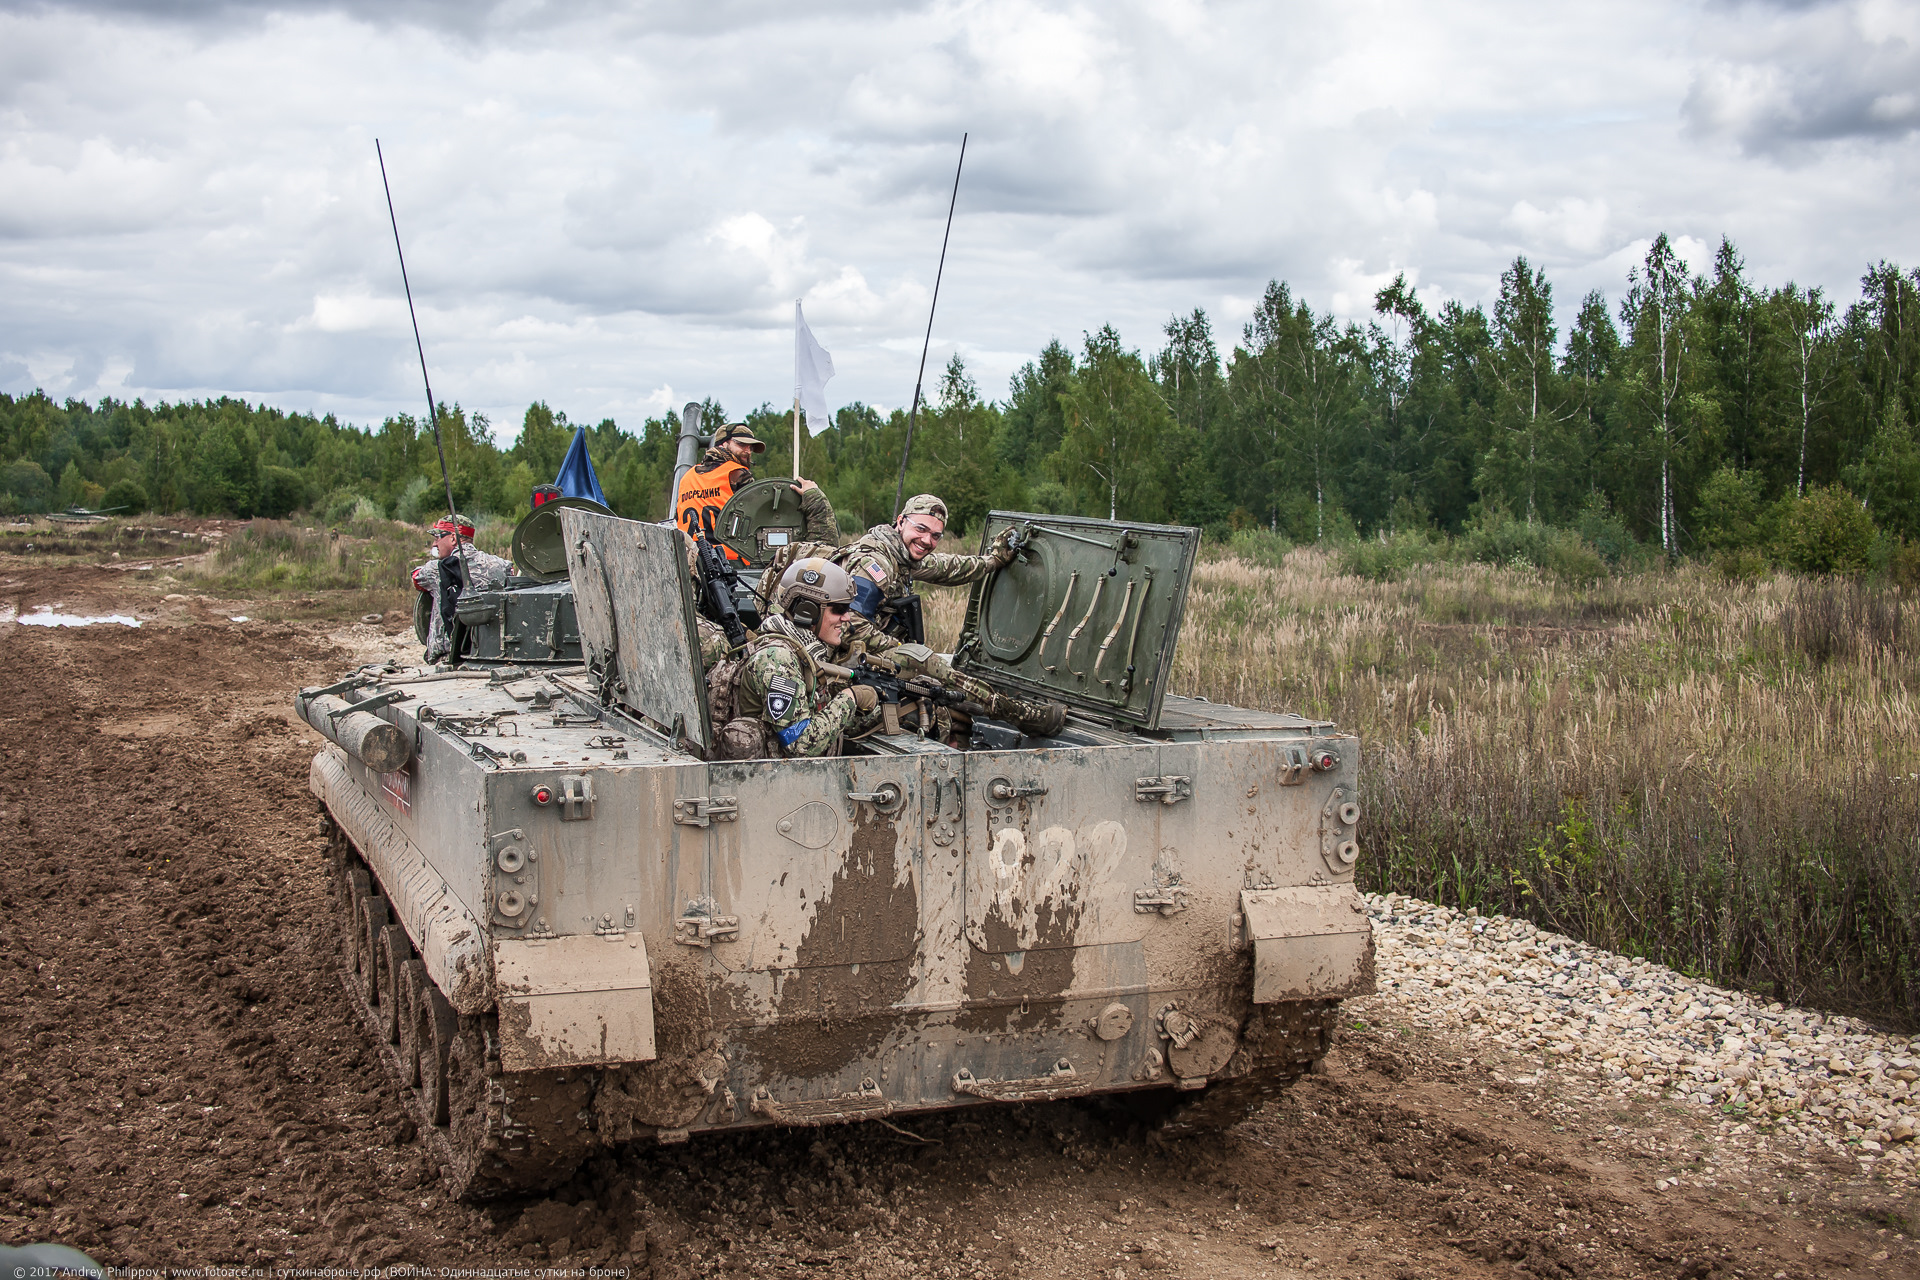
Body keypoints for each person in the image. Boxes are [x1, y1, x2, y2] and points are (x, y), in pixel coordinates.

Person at [765, 492, 1065, 736]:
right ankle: (1021, 715)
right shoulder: (877, 564)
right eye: (921, 530)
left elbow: (951, 567)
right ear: (901, 522)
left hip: (841, 647)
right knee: (927, 662)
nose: (927, 541)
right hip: (827, 653)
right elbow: (851, 624)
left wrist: (994, 560)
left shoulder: (904, 555)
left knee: (927, 669)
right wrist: (901, 652)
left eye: (935, 536)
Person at [709, 558, 884, 760]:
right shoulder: (777, 658)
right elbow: (800, 743)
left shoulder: (802, 651)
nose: (846, 618)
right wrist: (850, 697)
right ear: (808, 611)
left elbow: (817, 721)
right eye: (839, 609)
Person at [411, 513, 512, 663]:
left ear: (453, 538)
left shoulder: (435, 569)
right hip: (491, 654)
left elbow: (416, 579)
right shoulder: (501, 565)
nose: (434, 544)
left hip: (450, 657)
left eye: (438, 537)